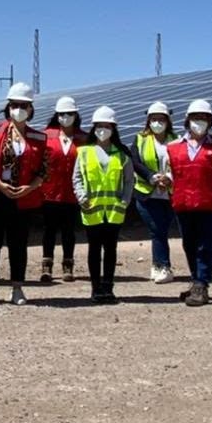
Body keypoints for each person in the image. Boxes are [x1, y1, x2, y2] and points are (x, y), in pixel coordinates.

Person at [0, 82, 49, 306]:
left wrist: (30, 187)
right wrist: (0, 185)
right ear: (8, 107)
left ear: (31, 109)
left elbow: (44, 169)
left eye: (24, 105)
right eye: (15, 105)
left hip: (22, 198)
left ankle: (17, 287)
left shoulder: (39, 137)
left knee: (18, 243)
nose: (19, 109)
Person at [167, 99, 212, 307]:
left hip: (209, 204)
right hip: (183, 203)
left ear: (210, 121)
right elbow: (171, 174)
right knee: (189, 244)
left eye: (203, 118)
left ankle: (202, 282)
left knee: (205, 245)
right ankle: (196, 280)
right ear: (187, 120)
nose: (199, 122)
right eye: (195, 118)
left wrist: (211, 194)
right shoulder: (173, 147)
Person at [72, 106, 134, 304]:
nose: (102, 129)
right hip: (92, 209)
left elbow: (128, 181)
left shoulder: (122, 154)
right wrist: (81, 197)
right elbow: (77, 178)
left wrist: (125, 200)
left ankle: (108, 287)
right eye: (99, 126)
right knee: (94, 249)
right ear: (93, 128)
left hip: (115, 210)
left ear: (113, 128)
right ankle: (95, 288)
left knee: (111, 249)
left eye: (107, 126)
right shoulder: (83, 152)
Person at [39, 95, 87, 283]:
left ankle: (68, 265)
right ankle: (47, 266)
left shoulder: (83, 138)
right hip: (49, 192)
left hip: (71, 193)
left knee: (69, 230)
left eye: (69, 113)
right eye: (62, 114)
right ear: (56, 115)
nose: (65, 117)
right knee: (49, 230)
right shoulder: (46, 136)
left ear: (75, 115)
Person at [130, 101, 178, 284]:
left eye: (161, 119)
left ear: (167, 120)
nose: (157, 123)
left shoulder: (177, 138)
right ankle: (164, 266)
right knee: (157, 229)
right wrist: (152, 176)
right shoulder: (140, 138)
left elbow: (181, 162)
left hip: (169, 192)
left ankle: (157, 265)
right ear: (148, 121)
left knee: (161, 230)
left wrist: (169, 178)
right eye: (154, 119)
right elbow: (135, 161)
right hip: (147, 192)